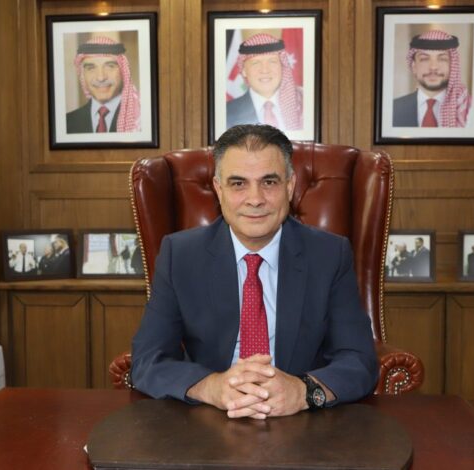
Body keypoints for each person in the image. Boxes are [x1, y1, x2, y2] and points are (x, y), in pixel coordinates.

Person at [131, 124, 377, 420]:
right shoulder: (180, 255)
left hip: (302, 421)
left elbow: (359, 359)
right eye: (238, 183)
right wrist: (212, 387)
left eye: (269, 182)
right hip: (208, 419)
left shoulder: (329, 255)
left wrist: (303, 391)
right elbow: (148, 359)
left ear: (290, 186)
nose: (255, 199)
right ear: (219, 189)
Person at [393, 30, 471, 128]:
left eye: (442, 59)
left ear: (452, 66)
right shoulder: (393, 109)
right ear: (414, 67)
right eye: (424, 59)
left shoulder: (468, 109)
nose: (433, 67)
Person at [226, 34, 303, 132]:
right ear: (244, 70)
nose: (265, 70)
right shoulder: (226, 113)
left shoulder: (303, 106)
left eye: (272, 61)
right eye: (256, 63)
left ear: (282, 66)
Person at [66, 36, 141, 134]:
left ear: (123, 71)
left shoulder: (141, 119)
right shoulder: (67, 123)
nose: (101, 77)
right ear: (82, 75)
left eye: (110, 66)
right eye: (91, 68)